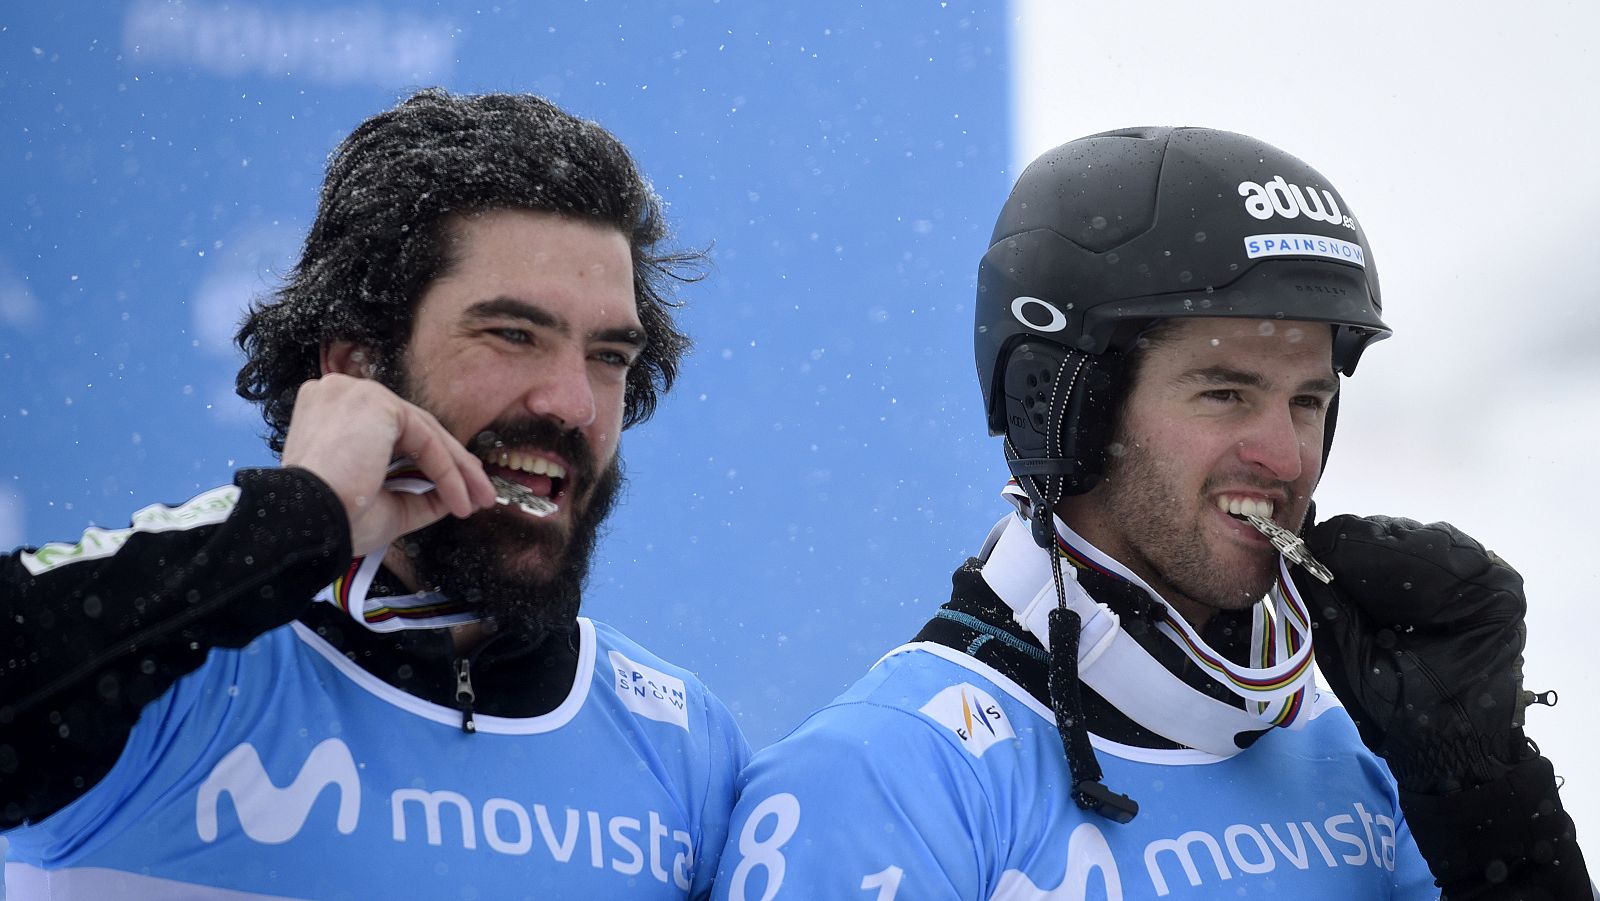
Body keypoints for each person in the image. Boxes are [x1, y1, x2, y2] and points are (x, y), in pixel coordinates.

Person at [712, 127, 1591, 900]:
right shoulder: (883, 781)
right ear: (1069, 410)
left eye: (1308, 400)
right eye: (1224, 392)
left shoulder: (1360, 749)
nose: (1286, 457)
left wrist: (1485, 798)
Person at [0, 88, 748, 899]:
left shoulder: (684, 748)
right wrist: (291, 519)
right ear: (358, 366)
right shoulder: (176, 673)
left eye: (608, 354)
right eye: (513, 334)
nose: (572, 402)